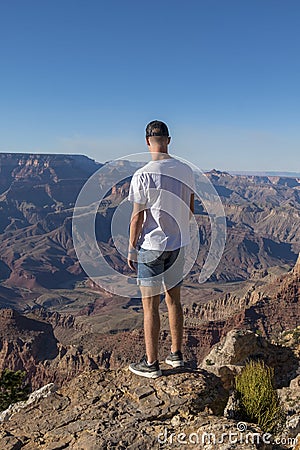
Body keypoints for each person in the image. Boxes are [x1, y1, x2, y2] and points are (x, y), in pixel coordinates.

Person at [127, 120, 195, 378]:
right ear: (168, 140)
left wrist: (131, 248)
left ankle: (151, 364)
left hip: (151, 247)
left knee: (150, 307)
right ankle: (176, 355)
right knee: (174, 300)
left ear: (147, 141)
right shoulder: (186, 170)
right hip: (178, 244)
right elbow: (190, 209)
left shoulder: (142, 175)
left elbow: (137, 218)